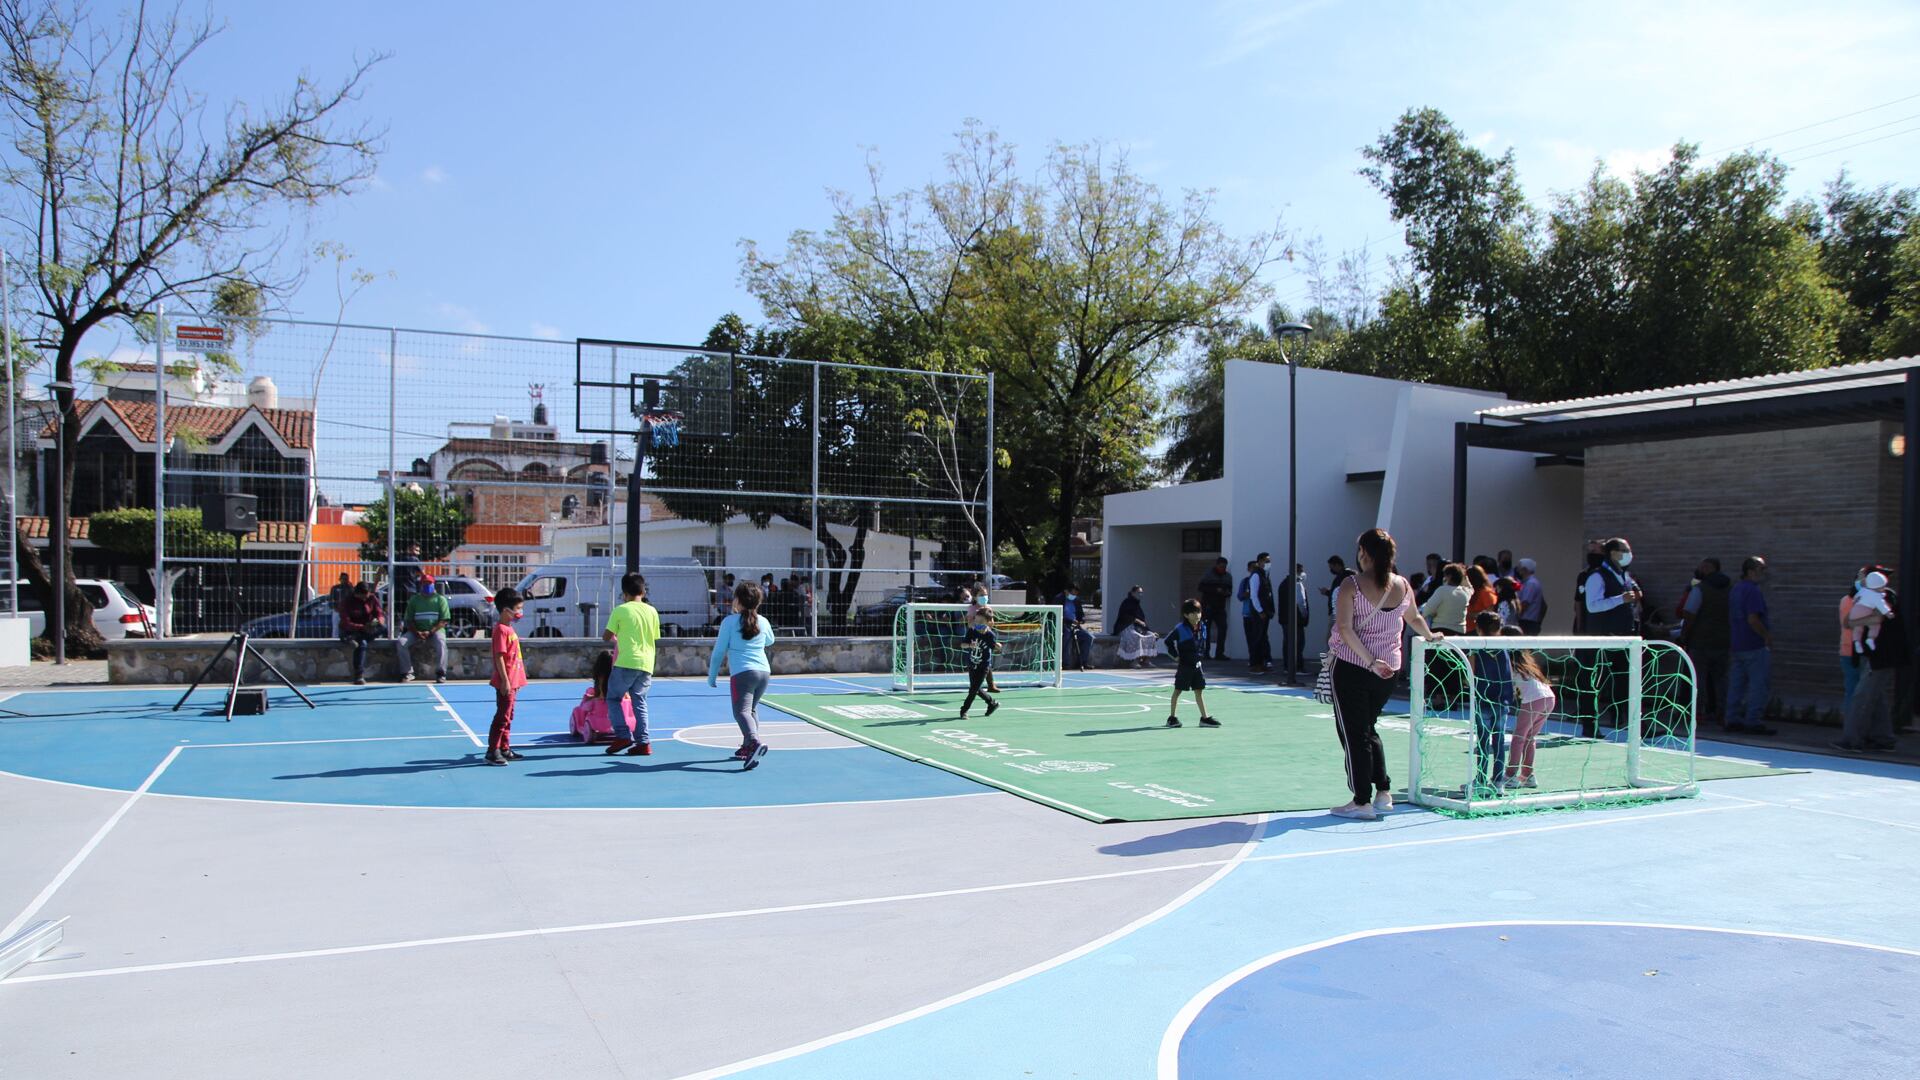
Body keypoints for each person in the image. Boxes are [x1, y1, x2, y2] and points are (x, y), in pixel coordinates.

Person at [1327, 528, 1441, 821]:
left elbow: (1345, 628)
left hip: (1354, 666)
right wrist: (1429, 636)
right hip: (1389, 669)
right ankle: (1383, 792)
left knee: (1354, 734)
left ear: (1363, 552)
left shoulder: (1351, 585)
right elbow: (1414, 617)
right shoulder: (1402, 584)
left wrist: (1368, 661)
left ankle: (1361, 800)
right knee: (1368, 727)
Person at [708, 581, 775, 768]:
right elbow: (770, 640)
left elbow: (719, 651)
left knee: (741, 711)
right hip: (764, 672)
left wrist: (712, 675)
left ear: (738, 600)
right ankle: (748, 746)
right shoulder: (763, 621)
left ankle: (753, 742)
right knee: (751, 709)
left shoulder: (729, 622)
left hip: (743, 673)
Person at [1835, 585, 1905, 754]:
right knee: (1876, 697)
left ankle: (1852, 740)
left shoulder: (1883, 604)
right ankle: (1884, 738)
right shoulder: (1861, 600)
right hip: (1871, 656)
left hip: (1879, 658)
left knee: (1862, 697)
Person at [1583, 538, 1643, 734]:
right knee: (1596, 681)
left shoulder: (1624, 576)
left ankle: (1623, 719)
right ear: (1612, 553)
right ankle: (1590, 725)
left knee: (1624, 680)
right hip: (1602, 636)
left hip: (1623, 636)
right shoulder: (1597, 576)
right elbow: (1592, 606)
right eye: (1624, 550)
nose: (1628, 553)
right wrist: (1620, 599)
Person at [600, 572, 661, 756]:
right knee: (639, 701)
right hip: (647, 663)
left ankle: (622, 735)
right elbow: (654, 637)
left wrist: (617, 636)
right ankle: (643, 742)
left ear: (624, 593)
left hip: (626, 661)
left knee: (613, 698)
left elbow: (606, 636)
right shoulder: (652, 611)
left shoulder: (621, 610)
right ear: (643, 591)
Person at [1724, 556, 1778, 736]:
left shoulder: (1736, 589)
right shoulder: (1752, 591)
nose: (1764, 573)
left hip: (1737, 643)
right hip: (1754, 644)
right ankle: (1753, 721)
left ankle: (1732, 718)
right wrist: (1766, 636)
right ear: (1751, 571)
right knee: (1758, 684)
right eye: (1761, 569)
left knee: (1736, 684)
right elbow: (1753, 619)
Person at [1678, 558, 1733, 728]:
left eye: (1703, 566)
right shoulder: (1730, 589)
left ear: (1709, 568)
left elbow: (1689, 614)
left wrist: (1684, 635)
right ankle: (1722, 713)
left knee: (1698, 679)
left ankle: (1698, 713)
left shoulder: (1700, 589)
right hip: (1724, 640)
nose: (1699, 569)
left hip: (1700, 641)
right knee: (1721, 680)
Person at [1501, 626, 1554, 789]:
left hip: (1534, 699)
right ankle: (1528, 775)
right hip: (1549, 697)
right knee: (1530, 737)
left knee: (1518, 737)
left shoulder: (1508, 659)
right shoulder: (1526, 658)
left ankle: (1510, 776)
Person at [1470, 611, 1513, 793]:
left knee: (1482, 741)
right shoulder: (1503, 647)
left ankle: (1480, 779)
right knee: (1499, 741)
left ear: (1479, 629)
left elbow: (1470, 675)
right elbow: (1508, 674)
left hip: (1483, 699)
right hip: (1501, 700)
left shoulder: (1476, 648)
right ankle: (1498, 781)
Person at [486, 586, 527, 766]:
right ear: (505, 610)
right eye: (517, 609)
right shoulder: (501, 630)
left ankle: (504, 747)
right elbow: (499, 656)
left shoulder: (509, 629)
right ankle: (492, 751)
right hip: (507, 681)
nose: (520, 612)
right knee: (502, 716)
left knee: (509, 715)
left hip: (514, 680)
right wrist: (505, 680)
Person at [1163, 599, 1218, 728]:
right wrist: (1176, 657)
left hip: (1197, 665)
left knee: (1199, 690)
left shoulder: (1202, 626)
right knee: (1178, 691)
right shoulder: (1180, 629)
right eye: (1193, 613)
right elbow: (1167, 642)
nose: (1197, 615)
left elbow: (1202, 644)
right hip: (1185, 665)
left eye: (1198, 612)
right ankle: (1172, 718)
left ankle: (1204, 718)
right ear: (1186, 615)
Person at [570, 651, 638, 744]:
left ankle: (583, 726)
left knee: (583, 706)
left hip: (602, 713)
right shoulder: (621, 679)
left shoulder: (601, 681)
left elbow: (600, 697)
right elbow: (627, 696)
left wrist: (589, 697)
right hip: (622, 713)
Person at [397, 573, 451, 684]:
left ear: (433, 584)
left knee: (441, 643)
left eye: (429, 583)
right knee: (401, 643)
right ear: (420, 584)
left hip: (435, 631)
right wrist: (417, 632)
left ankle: (441, 673)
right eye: (424, 583)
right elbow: (409, 620)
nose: (427, 585)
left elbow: (444, 621)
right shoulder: (414, 600)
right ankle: (407, 673)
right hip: (416, 632)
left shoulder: (440, 600)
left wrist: (430, 632)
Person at [338, 581, 387, 686]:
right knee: (362, 643)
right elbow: (346, 622)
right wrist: (362, 627)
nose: (366, 598)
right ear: (357, 593)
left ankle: (354, 638)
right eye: (363, 596)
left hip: (367, 629)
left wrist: (379, 620)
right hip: (351, 629)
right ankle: (358, 675)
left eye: (367, 595)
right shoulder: (347, 601)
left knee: (383, 628)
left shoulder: (372, 598)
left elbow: (379, 613)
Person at [958, 604, 1001, 720]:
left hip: (983, 666)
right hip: (972, 663)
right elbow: (962, 645)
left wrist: (998, 646)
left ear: (988, 622)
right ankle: (992, 703)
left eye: (981, 621)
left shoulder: (990, 635)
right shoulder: (972, 631)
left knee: (973, 690)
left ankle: (964, 711)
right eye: (976, 621)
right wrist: (969, 645)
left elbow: (994, 647)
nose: (978, 624)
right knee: (975, 688)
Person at [1196, 557, 1235, 661]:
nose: (1223, 568)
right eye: (1221, 566)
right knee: (1206, 631)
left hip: (1220, 607)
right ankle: (1205, 653)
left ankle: (1219, 653)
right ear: (1217, 565)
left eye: (1225, 567)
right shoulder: (1208, 575)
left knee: (1223, 629)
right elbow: (1201, 587)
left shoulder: (1228, 577)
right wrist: (1215, 590)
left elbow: (1230, 591)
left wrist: (1225, 592)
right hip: (1208, 606)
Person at [1111, 586, 1159, 668]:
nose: (1141, 594)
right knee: (1136, 637)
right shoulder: (1126, 602)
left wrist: (1149, 630)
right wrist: (1136, 620)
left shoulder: (1137, 604)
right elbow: (1124, 616)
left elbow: (1143, 621)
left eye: (1141, 593)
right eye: (1139, 592)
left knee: (1152, 636)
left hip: (1138, 628)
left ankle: (1145, 660)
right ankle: (1134, 661)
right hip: (1125, 627)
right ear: (1133, 593)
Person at [1238, 560, 1272, 673]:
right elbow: (1241, 596)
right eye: (1252, 567)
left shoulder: (1263, 577)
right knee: (1253, 639)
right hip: (1248, 614)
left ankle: (1263, 661)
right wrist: (1246, 595)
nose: (1254, 569)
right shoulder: (1246, 581)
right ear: (1248, 569)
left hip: (1258, 614)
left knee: (1262, 638)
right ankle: (1254, 662)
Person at [1278, 563, 1310, 677]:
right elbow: (1301, 602)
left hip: (1285, 619)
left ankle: (1288, 666)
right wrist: (1305, 615)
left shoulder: (1283, 584)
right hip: (1295, 619)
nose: (1303, 573)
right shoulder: (1297, 584)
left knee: (1288, 642)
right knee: (1298, 643)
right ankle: (1297, 667)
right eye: (1301, 570)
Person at [1419, 563, 1470, 635]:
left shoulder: (1442, 590)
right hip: (1460, 630)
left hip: (1441, 629)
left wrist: (1422, 615)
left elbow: (1429, 608)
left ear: (1449, 577)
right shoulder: (1465, 592)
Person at [1850, 570, 1893, 655]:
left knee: (1858, 628)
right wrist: (1888, 613)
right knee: (1875, 625)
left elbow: (1855, 598)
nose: (1883, 589)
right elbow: (1882, 606)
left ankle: (1856, 641)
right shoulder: (1876, 596)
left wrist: (1855, 602)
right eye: (1882, 587)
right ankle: (1871, 638)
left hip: (1855, 611)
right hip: (1866, 611)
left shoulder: (1863, 591)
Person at [1057, 581, 1094, 671]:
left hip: (1075, 626)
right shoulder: (1059, 599)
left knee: (1088, 637)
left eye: (1076, 594)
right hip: (1063, 625)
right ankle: (1065, 663)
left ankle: (1082, 662)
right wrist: (1070, 621)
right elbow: (1057, 615)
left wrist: (1081, 620)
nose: (1074, 595)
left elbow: (1080, 614)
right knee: (1067, 636)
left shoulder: (1076, 600)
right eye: (1073, 593)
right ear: (1067, 591)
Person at [1514, 558, 1546, 635]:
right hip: (1528, 622)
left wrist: (1515, 617)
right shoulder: (1526, 583)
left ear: (1524, 569)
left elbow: (1525, 604)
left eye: (1519, 568)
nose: (1517, 571)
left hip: (1527, 623)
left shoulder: (1531, 584)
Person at [1320, 555, 1354, 621]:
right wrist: (1327, 592)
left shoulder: (1346, 575)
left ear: (1337, 565)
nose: (1331, 570)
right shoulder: (1340, 577)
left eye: (1331, 567)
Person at [328, 572, 353, 636]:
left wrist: (351, 587)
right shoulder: (335, 588)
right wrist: (334, 607)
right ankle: (334, 641)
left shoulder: (350, 588)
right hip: (337, 611)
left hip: (347, 612)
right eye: (343, 579)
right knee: (336, 627)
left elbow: (353, 598)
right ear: (340, 579)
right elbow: (331, 599)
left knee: (348, 626)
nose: (345, 581)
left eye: (346, 579)